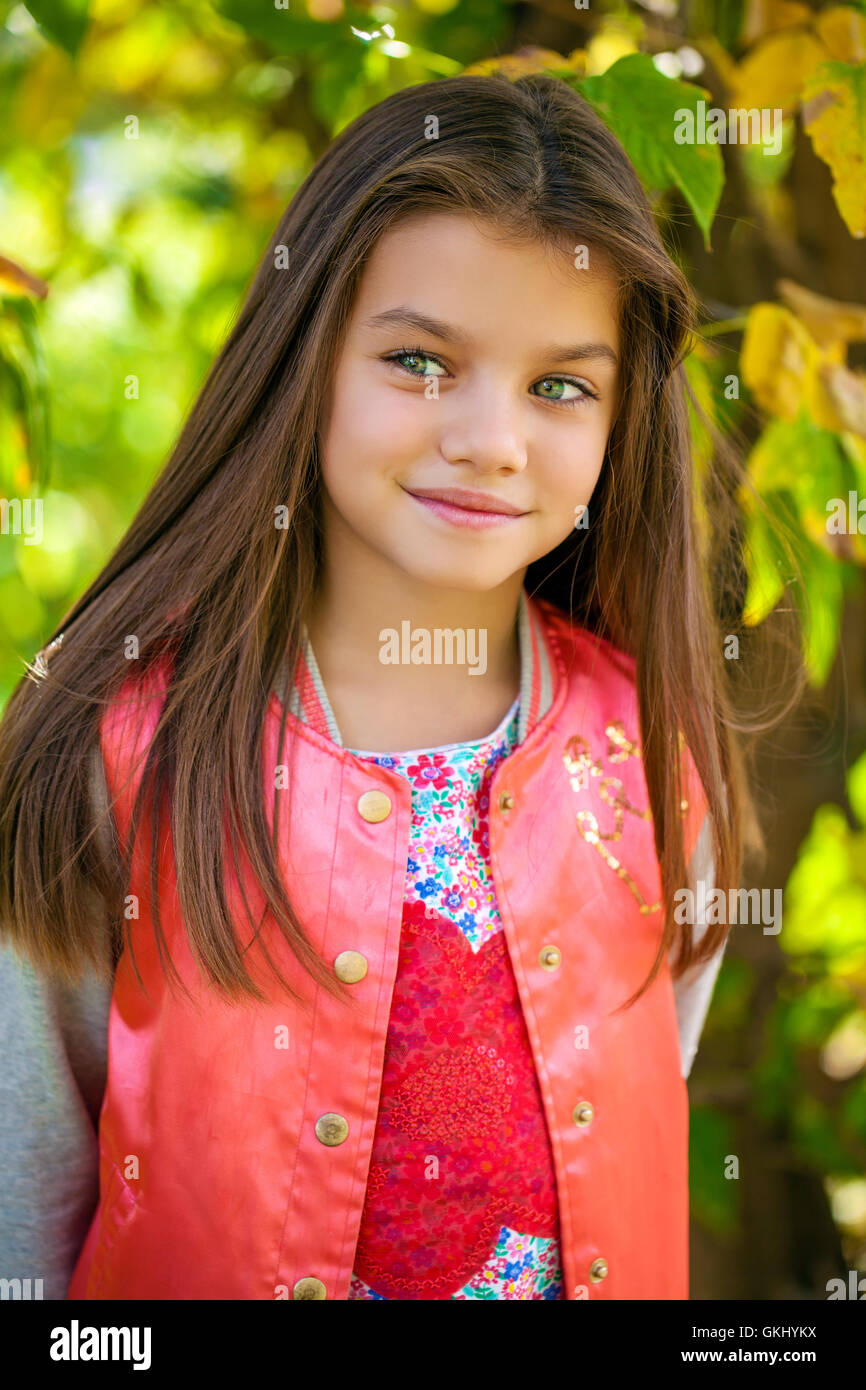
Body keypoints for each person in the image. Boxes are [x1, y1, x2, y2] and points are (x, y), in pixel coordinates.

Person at [0, 71, 767, 1301]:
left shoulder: (655, 761)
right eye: (419, 359)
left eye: (558, 384)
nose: (489, 438)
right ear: (305, 357)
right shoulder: (120, 752)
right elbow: (22, 1194)